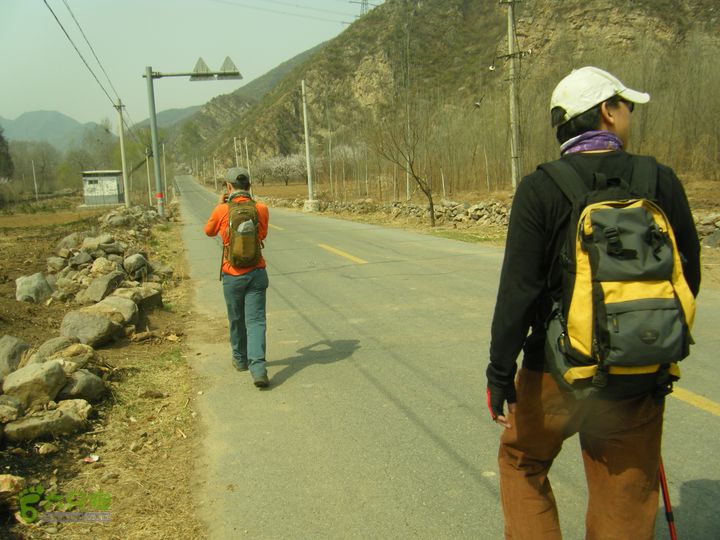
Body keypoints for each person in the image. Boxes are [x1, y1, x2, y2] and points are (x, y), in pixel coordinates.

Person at [485, 66, 701, 539]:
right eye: (626, 107)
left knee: (523, 462)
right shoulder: (659, 180)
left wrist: (500, 373)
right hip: (636, 375)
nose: (629, 116)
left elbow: (518, 293)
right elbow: (688, 277)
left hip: (556, 374)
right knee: (623, 497)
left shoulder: (541, 188)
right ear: (607, 111)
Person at [205, 167, 271, 388]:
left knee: (236, 319)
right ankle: (258, 369)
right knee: (256, 321)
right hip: (257, 272)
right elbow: (262, 234)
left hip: (232, 274)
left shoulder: (222, 210)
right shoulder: (261, 208)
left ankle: (240, 360)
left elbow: (208, 231)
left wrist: (219, 205)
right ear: (249, 186)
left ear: (228, 187)